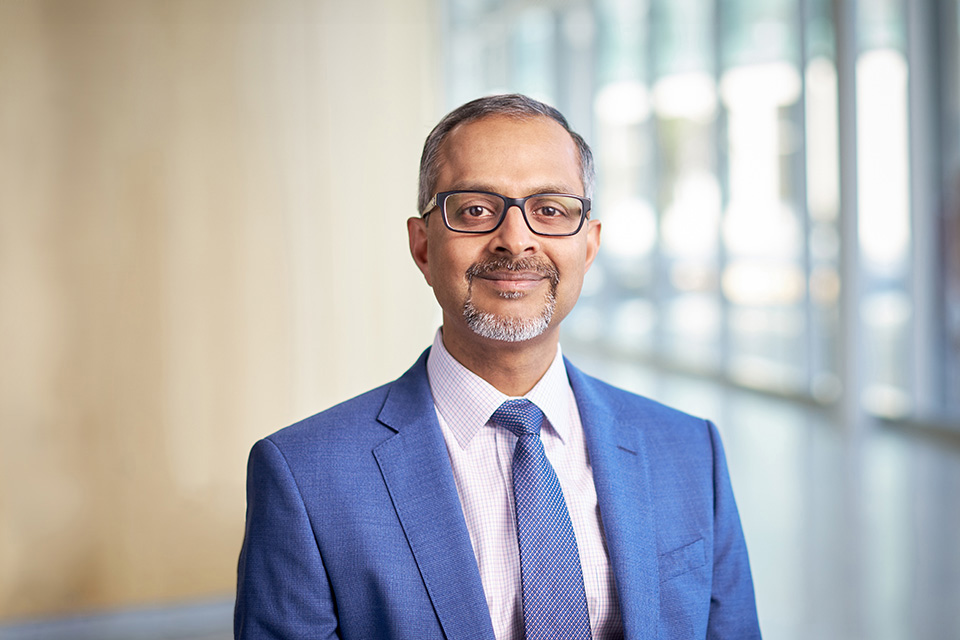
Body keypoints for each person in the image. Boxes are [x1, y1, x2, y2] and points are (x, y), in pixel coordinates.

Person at [234, 94, 761, 640]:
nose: (515, 239)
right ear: (422, 247)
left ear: (589, 246)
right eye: (476, 211)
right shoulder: (304, 476)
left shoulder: (689, 450)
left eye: (550, 209)